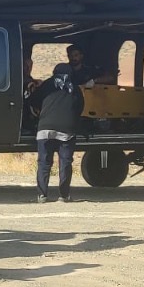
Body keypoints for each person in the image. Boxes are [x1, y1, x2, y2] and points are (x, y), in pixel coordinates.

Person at [27, 62, 85, 203]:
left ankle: (42, 195)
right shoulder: (75, 88)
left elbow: (33, 100)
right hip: (67, 130)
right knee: (65, 162)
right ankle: (64, 195)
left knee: (44, 163)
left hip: (45, 128)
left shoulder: (47, 85)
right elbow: (80, 107)